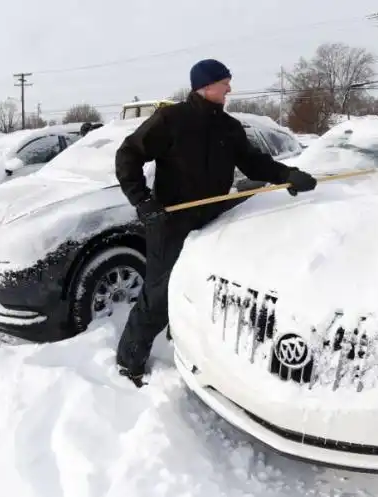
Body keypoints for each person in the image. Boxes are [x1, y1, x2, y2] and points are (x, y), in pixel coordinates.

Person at [114, 58, 317, 387]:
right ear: (205, 86)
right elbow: (128, 155)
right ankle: (129, 362)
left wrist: (286, 175)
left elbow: (252, 162)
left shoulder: (228, 127)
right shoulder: (171, 119)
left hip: (212, 217)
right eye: (225, 82)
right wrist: (143, 201)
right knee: (159, 294)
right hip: (170, 219)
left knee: (202, 287)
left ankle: (190, 344)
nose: (229, 89)